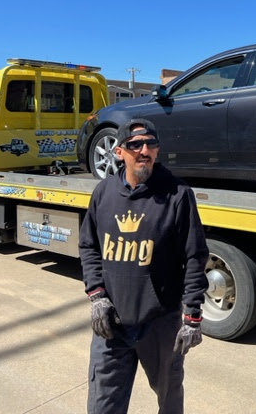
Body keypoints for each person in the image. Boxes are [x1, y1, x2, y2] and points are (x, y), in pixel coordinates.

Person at [79, 118, 209, 414]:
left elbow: (194, 257)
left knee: (169, 398)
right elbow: (89, 246)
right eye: (135, 145)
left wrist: (192, 316)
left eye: (150, 144)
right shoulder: (104, 192)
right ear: (119, 152)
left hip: (161, 323)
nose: (144, 150)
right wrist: (97, 295)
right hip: (112, 322)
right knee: (102, 404)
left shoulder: (178, 195)